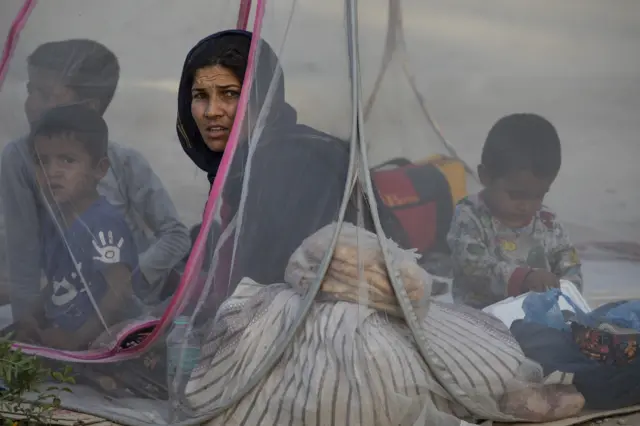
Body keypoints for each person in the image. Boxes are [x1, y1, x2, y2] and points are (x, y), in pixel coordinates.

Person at [0, 39, 190, 320]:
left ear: (87, 107)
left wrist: (132, 280)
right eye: (30, 90)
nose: (31, 104)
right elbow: (23, 251)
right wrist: (26, 323)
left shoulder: (124, 162)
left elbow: (175, 234)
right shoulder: (18, 158)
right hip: (69, 299)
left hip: (131, 302)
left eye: (44, 93)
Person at [177, 30, 357, 292]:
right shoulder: (242, 163)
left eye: (229, 94)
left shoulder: (293, 166)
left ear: (263, 99)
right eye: (200, 96)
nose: (212, 111)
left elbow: (275, 283)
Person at [16, 105, 142, 350]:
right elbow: (61, 282)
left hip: (103, 339)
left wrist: (78, 339)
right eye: (42, 161)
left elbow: (119, 293)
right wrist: (33, 315)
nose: (53, 172)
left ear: (99, 169)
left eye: (67, 160)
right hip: (62, 333)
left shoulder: (104, 223)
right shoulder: (56, 220)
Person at [447, 113, 582, 309]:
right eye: (516, 194)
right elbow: (472, 265)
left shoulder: (548, 222)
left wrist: (565, 290)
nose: (526, 205)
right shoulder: (469, 216)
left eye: (539, 195)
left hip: (536, 315)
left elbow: (569, 263)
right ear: (485, 176)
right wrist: (523, 279)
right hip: (481, 318)